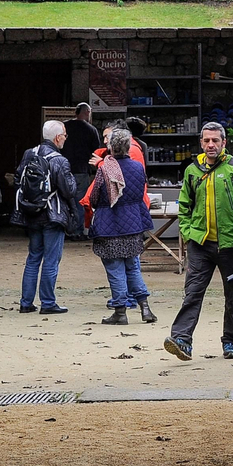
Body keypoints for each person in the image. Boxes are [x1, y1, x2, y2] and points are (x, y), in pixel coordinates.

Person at [163, 122, 233, 362]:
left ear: (224, 142)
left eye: (215, 140)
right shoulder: (193, 170)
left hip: (231, 244)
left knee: (232, 295)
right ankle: (181, 339)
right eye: (206, 141)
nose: (211, 144)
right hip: (200, 244)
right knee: (192, 292)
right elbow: (184, 205)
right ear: (201, 143)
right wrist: (187, 231)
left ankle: (230, 342)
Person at [11, 119, 79, 314]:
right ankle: (48, 303)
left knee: (33, 258)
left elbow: (18, 179)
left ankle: (26, 302)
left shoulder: (29, 153)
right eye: (65, 135)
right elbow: (69, 190)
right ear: (58, 138)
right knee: (51, 260)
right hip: (53, 215)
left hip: (32, 213)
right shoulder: (59, 160)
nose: (65, 139)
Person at [90, 128, 156, 324]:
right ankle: (145, 308)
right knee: (132, 267)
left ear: (110, 147)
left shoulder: (105, 169)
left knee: (114, 268)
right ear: (128, 146)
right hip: (134, 222)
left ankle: (120, 312)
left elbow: (95, 196)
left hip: (109, 223)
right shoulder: (138, 167)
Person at [61, 103, 101, 236]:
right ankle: (77, 231)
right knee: (79, 202)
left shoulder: (64, 126)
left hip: (63, 170)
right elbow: (97, 151)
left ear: (76, 112)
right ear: (88, 112)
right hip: (81, 170)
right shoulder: (91, 129)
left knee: (64, 200)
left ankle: (64, 229)